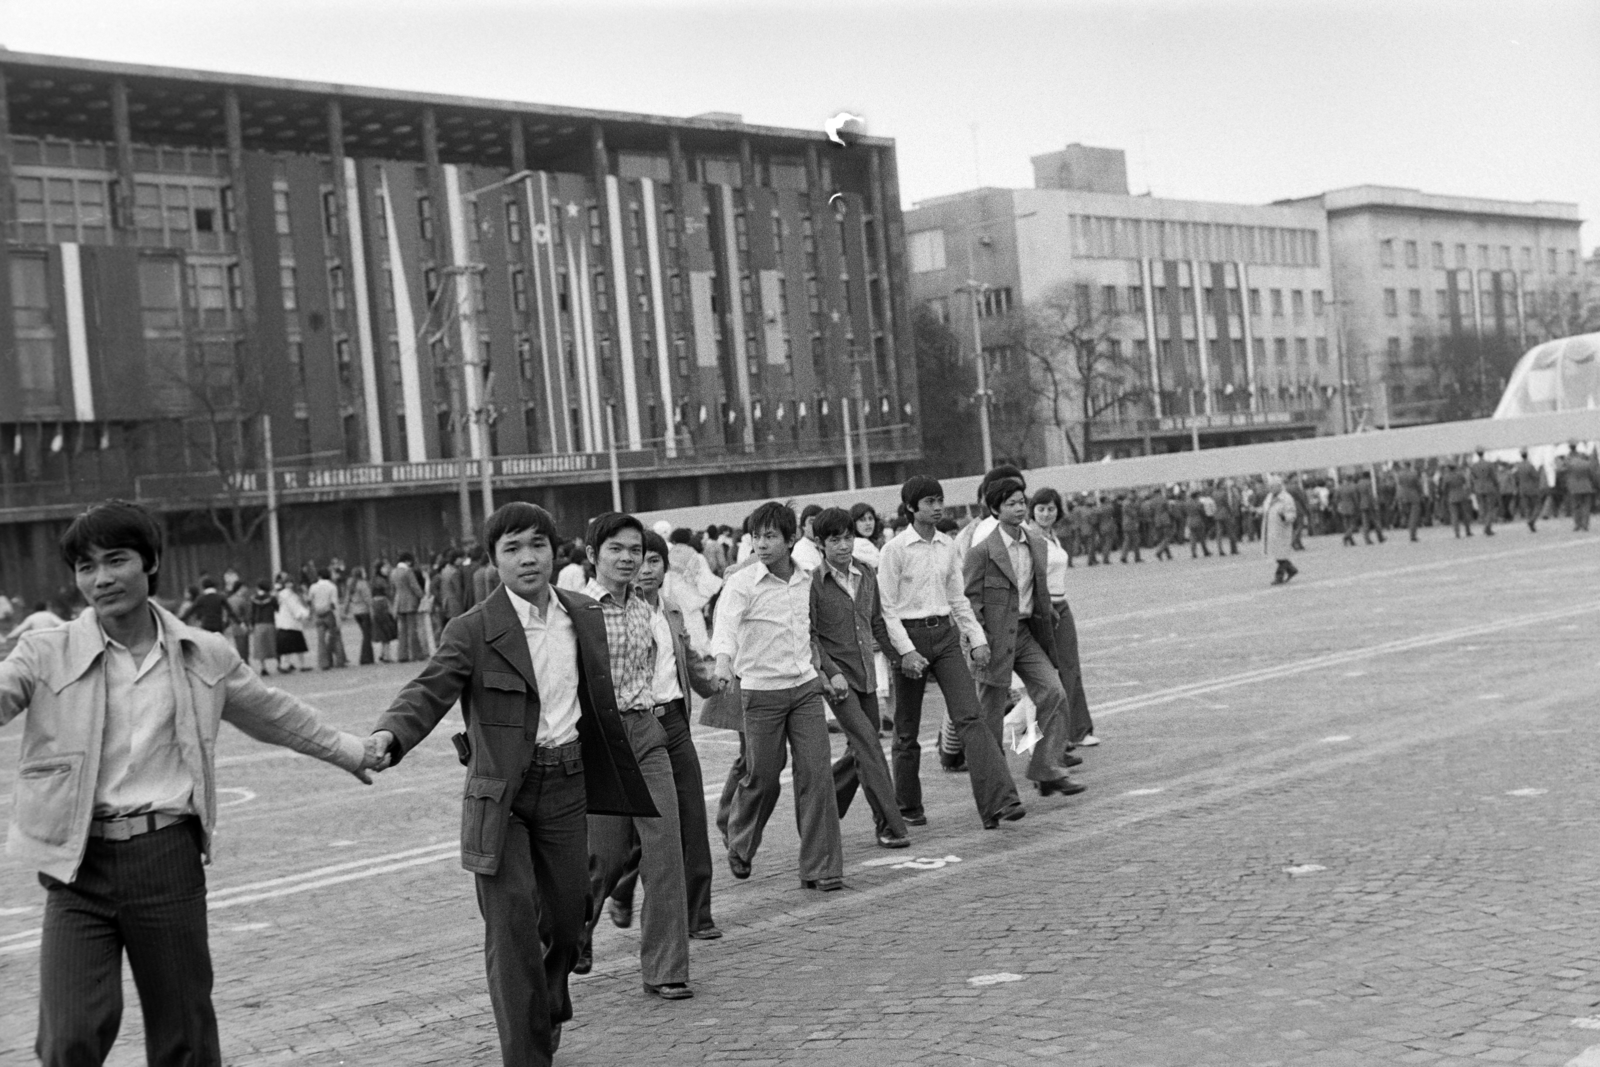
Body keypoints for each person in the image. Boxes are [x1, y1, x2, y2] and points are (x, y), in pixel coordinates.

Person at [1, 500, 385, 1067]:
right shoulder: (44, 652)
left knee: (185, 1037)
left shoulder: (204, 654)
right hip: (77, 865)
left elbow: (275, 714)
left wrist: (351, 751)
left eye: (116, 560)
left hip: (166, 858)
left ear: (150, 561)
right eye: (86, 567)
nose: (101, 579)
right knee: (68, 1037)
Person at [369, 502, 655, 1066]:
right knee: (512, 929)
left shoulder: (582, 614)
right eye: (513, 548)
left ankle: (547, 1001)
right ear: (494, 560)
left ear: (554, 551)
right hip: (503, 798)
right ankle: (525, 1052)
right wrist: (389, 734)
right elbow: (427, 690)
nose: (528, 558)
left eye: (537, 545)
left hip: (568, 785)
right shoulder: (473, 629)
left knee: (569, 922)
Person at [574, 513, 693, 1000]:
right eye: (615, 550)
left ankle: (666, 968)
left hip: (646, 732)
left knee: (665, 849)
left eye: (635, 551)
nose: (628, 559)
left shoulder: (646, 609)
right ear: (592, 555)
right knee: (600, 859)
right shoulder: (574, 611)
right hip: (598, 740)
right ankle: (572, 935)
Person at [879, 476, 1026, 830]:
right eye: (929, 502)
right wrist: (906, 652)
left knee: (971, 718)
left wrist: (977, 639)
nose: (938, 507)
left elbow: (958, 599)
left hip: (945, 636)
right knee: (906, 730)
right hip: (909, 638)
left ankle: (999, 802)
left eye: (939, 500)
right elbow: (886, 609)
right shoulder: (894, 550)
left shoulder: (947, 546)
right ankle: (907, 805)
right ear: (911, 507)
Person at [712, 500, 845, 890]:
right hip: (760, 692)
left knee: (817, 776)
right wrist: (723, 663)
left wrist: (826, 673)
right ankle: (740, 841)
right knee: (764, 776)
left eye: (770, 536)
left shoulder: (808, 580)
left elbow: (813, 632)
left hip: (804, 689)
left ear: (791, 539)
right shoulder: (741, 583)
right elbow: (725, 627)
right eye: (756, 537)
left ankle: (822, 868)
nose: (761, 544)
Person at [606, 530, 722, 942]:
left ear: (664, 566)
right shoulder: (615, 614)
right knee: (640, 829)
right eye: (639, 559)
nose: (645, 569)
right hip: (636, 725)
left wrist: (714, 686)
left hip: (674, 723)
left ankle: (698, 914)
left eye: (654, 560)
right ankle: (620, 888)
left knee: (691, 818)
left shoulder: (671, 610)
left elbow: (687, 661)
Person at [964, 478, 1083, 801]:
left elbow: (1039, 589)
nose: (1019, 508)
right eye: (1011, 504)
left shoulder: (1036, 544)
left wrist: (1050, 615)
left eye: (1021, 502)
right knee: (990, 718)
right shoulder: (982, 552)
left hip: (1027, 635)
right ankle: (998, 795)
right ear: (995, 509)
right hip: (992, 640)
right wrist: (977, 643)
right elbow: (969, 602)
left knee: (1054, 693)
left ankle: (1047, 768)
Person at [810, 507, 910, 850]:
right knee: (869, 745)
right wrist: (832, 673)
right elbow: (811, 635)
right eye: (834, 540)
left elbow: (877, 621)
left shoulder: (866, 573)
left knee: (861, 749)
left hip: (867, 675)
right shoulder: (813, 582)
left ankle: (820, 809)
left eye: (847, 538)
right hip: (839, 682)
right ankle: (890, 824)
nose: (843, 546)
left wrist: (898, 657)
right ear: (820, 544)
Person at [1028, 489, 1098, 749]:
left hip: (1062, 606)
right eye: (1041, 509)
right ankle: (1041, 735)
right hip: (1041, 610)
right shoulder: (1030, 537)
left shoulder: (1052, 537)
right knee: (1043, 676)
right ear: (1033, 510)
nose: (1046, 514)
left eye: (1051, 509)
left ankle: (1078, 730)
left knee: (1070, 668)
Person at [1262, 475, 1299, 585]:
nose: (1271, 489)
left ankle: (1279, 576)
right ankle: (1291, 569)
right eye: (1270, 487)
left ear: (1279, 486)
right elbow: (1266, 509)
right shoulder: (1269, 497)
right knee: (1276, 553)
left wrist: (1285, 517)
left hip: (1282, 529)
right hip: (1270, 529)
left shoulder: (1287, 498)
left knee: (1281, 553)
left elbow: (1292, 513)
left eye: (1273, 486)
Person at [308, 567, 347, 670]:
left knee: (321, 640)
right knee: (335, 636)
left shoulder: (313, 587)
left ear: (319, 576)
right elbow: (334, 603)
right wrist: (338, 618)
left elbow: (310, 601)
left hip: (318, 613)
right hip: (329, 613)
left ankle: (324, 663)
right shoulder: (332, 587)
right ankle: (340, 660)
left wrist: (311, 614)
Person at [390, 552, 426, 662]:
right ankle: (416, 654)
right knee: (412, 630)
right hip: (410, 602)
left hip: (399, 603)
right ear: (408, 561)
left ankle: (402, 655)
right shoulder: (408, 571)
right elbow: (415, 586)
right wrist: (423, 596)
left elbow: (393, 589)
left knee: (402, 631)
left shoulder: (393, 572)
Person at [273, 575, 310, 671]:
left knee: (287, 648)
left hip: (283, 624)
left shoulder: (280, 594)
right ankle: (299, 665)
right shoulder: (289, 595)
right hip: (291, 624)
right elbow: (295, 608)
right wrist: (305, 614)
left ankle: (285, 665)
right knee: (296, 647)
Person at [248, 579, 279, 674]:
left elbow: (252, 613)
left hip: (258, 624)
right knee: (274, 645)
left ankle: (263, 668)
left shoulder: (253, 598)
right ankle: (279, 664)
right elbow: (277, 609)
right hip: (270, 622)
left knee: (260, 647)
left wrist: (251, 624)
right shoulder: (271, 598)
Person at [346, 565, 375, 665]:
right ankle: (366, 658)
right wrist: (372, 609)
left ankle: (368, 657)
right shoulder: (363, 584)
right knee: (367, 635)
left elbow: (347, 598)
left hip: (356, 612)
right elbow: (368, 598)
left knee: (365, 634)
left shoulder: (351, 584)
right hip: (364, 611)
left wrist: (346, 611)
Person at [1469, 448, 1500, 535]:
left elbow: (1472, 478)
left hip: (1478, 488)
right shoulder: (1489, 464)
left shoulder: (1474, 466)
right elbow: (1493, 477)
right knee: (1490, 508)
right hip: (1489, 487)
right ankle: (1487, 526)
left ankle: (1484, 521)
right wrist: (1496, 485)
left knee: (1482, 507)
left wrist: (1473, 487)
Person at [1396, 461, 1426, 541]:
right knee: (1414, 517)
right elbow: (1418, 485)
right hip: (1414, 496)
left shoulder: (1400, 474)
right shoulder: (1414, 474)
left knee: (1406, 515)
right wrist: (1421, 494)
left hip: (1404, 497)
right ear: (1410, 465)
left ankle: (1404, 524)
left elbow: (1399, 485)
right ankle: (1412, 535)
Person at [1515, 450, 1543, 532]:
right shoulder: (1530, 466)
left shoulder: (1518, 466)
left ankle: (1529, 520)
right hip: (1532, 488)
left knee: (1527, 507)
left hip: (1522, 489)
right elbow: (1536, 476)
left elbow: (1516, 477)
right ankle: (1532, 520)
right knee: (1537, 505)